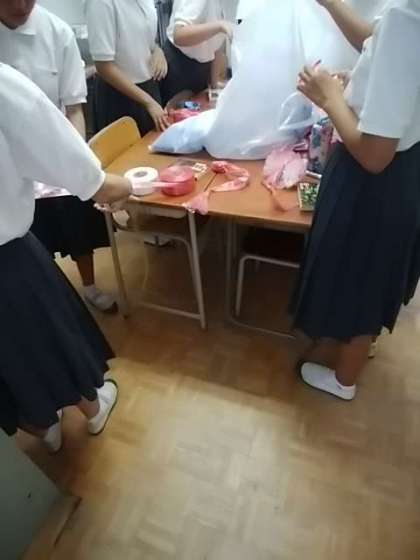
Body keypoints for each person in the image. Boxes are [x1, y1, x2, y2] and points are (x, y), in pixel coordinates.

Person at [291, 0, 420, 400]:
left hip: (375, 180)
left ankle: (343, 380)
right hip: (405, 170)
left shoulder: (405, 18)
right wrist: (363, 82)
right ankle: (358, 346)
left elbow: (374, 155)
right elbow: (380, 44)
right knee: (373, 271)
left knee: (361, 274)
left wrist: (330, 97)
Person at [0, 62, 132, 451]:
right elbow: (75, 165)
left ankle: (44, 428)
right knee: (48, 337)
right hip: (8, 258)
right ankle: (93, 409)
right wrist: (117, 185)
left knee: (10, 362)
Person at [0, 0, 119, 313]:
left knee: (76, 225)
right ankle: (46, 297)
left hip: (58, 148)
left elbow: (74, 108)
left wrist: (72, 161)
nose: (20, 5)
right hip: (8, 165)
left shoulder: (57, 32)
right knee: (31, 238)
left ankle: (90, 287)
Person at [86, 0, 169, 135]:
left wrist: (158, 51)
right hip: (119, 96)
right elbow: (103, 66)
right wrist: (148, 102)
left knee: (153, 142)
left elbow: (146, 39)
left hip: (148, 88)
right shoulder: (100, 3)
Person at [160, 0, 233, 106]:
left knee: (200, 110)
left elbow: (215, 46)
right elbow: (179, 35)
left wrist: (215, 85)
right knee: (177, 113)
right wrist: (219, 26)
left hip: (202, 68)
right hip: (179, 65)